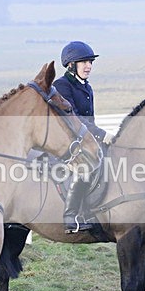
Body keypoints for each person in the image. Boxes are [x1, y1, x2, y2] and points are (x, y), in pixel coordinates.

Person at [53, 41, 108, 233]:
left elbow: (89, 119)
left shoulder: (87, 87)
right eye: (84, 62)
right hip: (67, 140)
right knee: (85, 166)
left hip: (84, 138)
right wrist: (101, 134)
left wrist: (99, 138)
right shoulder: (61, 85)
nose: (89, 66)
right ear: (71, 65)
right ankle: (71, 216)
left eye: (90, 62)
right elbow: (74, 119)